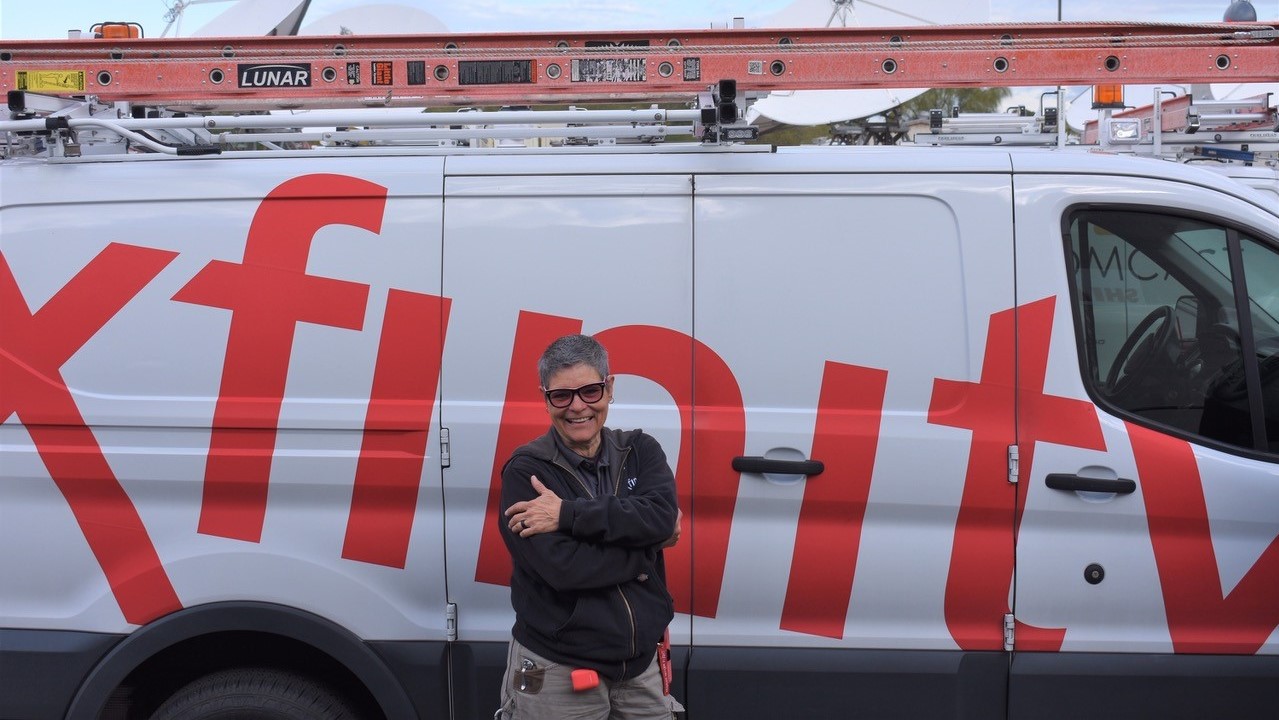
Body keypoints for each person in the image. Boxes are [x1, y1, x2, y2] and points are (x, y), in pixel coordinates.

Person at [497, 333, 682, 720]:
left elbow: (661, 516)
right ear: (545, 398)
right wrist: (647, 548)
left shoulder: (640, 450)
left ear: (610, 388)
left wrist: (567, 515)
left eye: (590, 391)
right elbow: (563, 569)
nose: (577, 407)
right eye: (561, 395)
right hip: (558, 670)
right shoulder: (526, 472)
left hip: (640, 672)